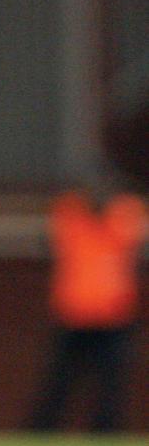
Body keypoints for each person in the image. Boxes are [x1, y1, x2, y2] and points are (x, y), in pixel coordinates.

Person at [30, 183, 147, 432]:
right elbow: (55, 231)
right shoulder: (71, 216)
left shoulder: (125, 215)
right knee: (59, 381)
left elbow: (134, 232)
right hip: (74, 316)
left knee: (111, 384)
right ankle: (41, 434)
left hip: (114, 317)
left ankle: (106, 435)